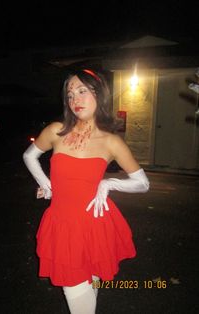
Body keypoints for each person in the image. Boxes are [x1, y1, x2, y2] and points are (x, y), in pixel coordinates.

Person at [23, 68, 150, 314]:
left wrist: (108, 183)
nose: (75, 100)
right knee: (77, 292)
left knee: (89, 288)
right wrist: (46, 184)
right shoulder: (56, 131)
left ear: (99, 94)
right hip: (63, 227)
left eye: (82, 91)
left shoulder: (111, 141)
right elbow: (30, 156)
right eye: (70, 95)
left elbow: (142, 183)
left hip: (96, 225)